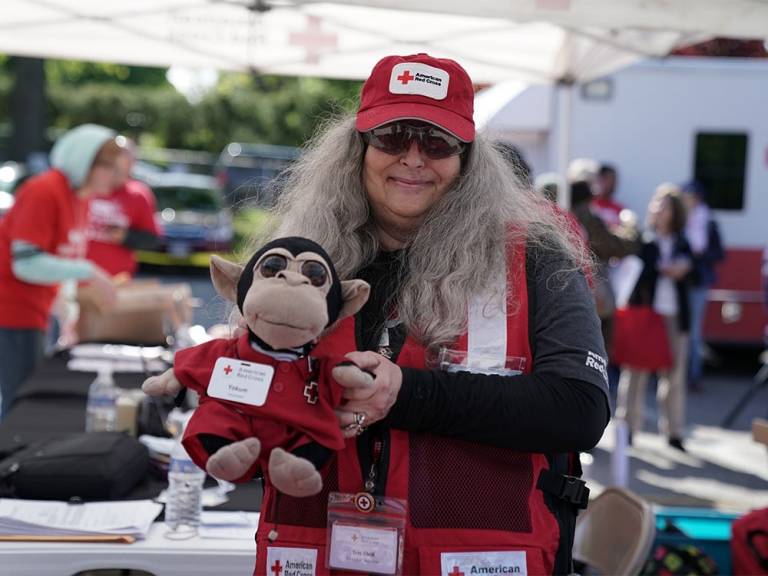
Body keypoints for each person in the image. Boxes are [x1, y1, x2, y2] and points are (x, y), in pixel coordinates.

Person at [248, 53, 610, 575]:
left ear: (468, 159)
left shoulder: (537, 257)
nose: (413, 158)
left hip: (476, 558)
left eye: (437, 142)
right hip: (315, 550)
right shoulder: (300, 259)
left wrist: (406, 394)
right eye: (393, 136)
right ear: (358, 148)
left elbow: (580, 408)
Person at [0, 124, 119, 418]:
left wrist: (67, 312)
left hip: (36, 313)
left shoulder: (80, 198)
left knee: (26, 399)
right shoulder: (43, 190)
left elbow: (60, 260)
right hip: (12, 312)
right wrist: (89, 271)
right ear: (85, 161)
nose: (115, 176)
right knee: (19, 403)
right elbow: (25, 263)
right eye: (108, 166)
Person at [615, 184, 692, 451]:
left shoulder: (683, 241)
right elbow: (634, 274)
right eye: (656, 205)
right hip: (646, 314)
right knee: (635, 373)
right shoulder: (644, 240)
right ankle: (628, 428)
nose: (658, 210)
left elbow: (701, 273)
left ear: (675, 212)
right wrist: (660, 269)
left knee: (675, 375)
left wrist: (685, 268)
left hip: (675, 315)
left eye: (665, 206)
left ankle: (674, 431)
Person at [85, 138, 161, 278]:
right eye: (113, 154)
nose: (116, 160)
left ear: (132, 163)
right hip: (76, 275)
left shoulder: (138, 194)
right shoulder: (86, 186)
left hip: (116, 279)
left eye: (123, 155)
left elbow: (152, 240)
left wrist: (126, 236)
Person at [681, 181, 723, 392]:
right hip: (678, 282)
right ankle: (673, 373)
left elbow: (719, 253)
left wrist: (699, 256)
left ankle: (693, 375)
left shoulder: (708, 221)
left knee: (694, 332)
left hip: (698, 281)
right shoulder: (679, 220)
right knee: (676, 329)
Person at [591, 163, 625, 229]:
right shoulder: (590, 205)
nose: (614, 184)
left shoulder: (620, 209)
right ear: (600, 180)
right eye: (610, 179)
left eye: (615, 180)